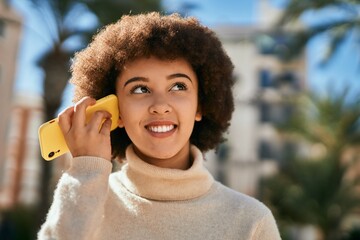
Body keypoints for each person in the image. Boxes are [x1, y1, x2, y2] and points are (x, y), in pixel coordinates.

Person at [38, 12, 281, 240]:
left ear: (200, 105)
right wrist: (85, 170)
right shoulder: (82, 200)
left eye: (178, 87)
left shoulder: (251, 222)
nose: (160, 106)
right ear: (116, 111)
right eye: (140, 89)